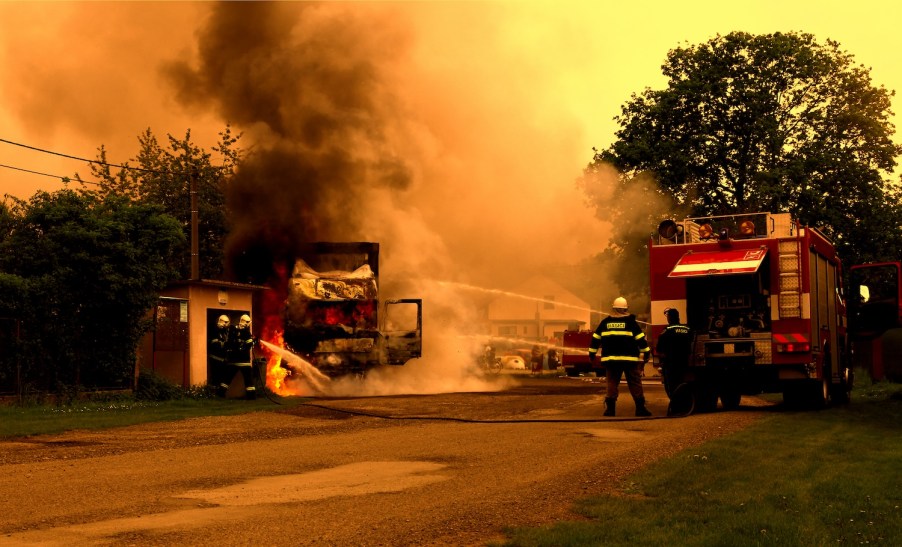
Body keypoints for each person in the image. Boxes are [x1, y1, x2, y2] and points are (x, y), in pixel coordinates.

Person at [588, 297, 652, 417]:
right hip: (630, 360)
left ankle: (610, 410)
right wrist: (647, 353)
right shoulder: (631, 323)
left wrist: (592, 354)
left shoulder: (605, 322)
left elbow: (595, 339)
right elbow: (641, 340)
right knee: (634, 383)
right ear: (625, 309)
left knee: (612, 383)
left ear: (613, 308)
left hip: (611, 360)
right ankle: (640, 409)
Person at [656, 308, 694, 409]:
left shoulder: (667, 331)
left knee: (672, 386)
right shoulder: (687, 330)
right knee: (684, 384)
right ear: (678, 317)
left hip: (671, 363)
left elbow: (659, 348)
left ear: (669, 318)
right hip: (685, 362)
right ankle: (685, 405)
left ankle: (676, 406)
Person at [227, 314, 257, 399]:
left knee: (227, 379)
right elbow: (248, 345)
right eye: (248, 323)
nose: (248, 324)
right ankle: (251, 397)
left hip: (233, 361)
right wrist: (253, 342)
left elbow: (231, 343)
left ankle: (220, 394)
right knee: (249, 381)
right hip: (244, 361)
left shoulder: (233, 330)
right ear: (245, 322)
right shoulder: (246, 332)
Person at [209, 314, 231, 397]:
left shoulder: (225, 331)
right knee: (215, 378)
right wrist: (225, 344)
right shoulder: (214, 330)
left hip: (223, 359)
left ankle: (220, 394)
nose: (227, 324)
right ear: (221, 322)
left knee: (222, 378)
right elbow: (215, 344)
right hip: (215, 359)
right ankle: (213, 394)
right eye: (225, 322)